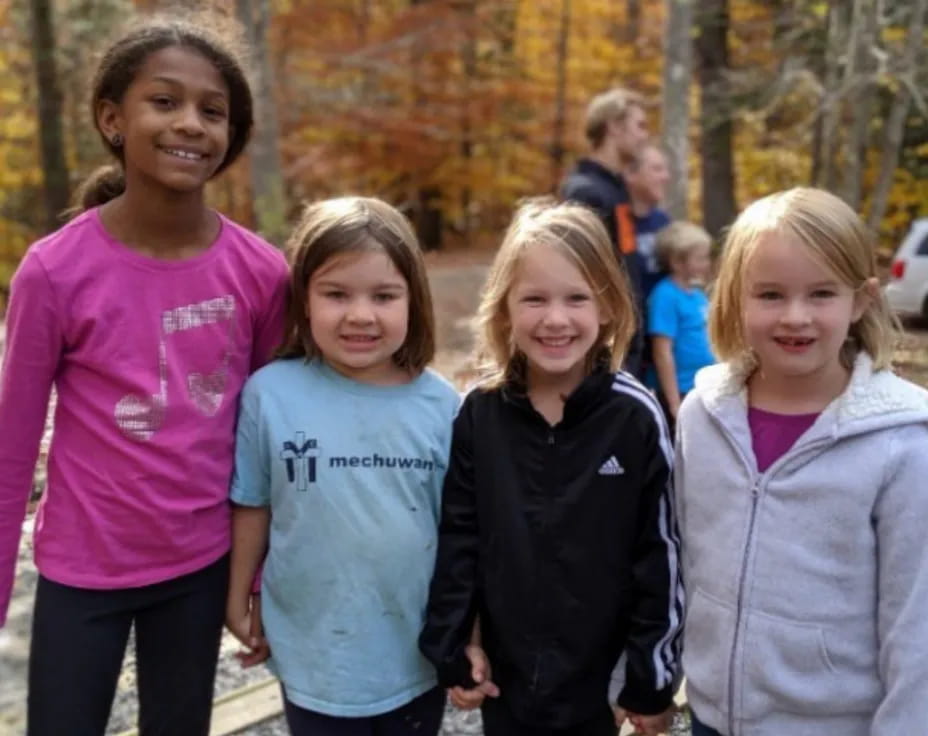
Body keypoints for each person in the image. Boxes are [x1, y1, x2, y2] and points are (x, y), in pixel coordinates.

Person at [0, 13, 289, 735]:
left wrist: (257, 581)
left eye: (212, 110)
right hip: (79, 573)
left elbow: (268, 443)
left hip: (197, 568)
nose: (190, 123)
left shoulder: (260, 272)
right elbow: (10, 448)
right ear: (113, 118)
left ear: (232, 134)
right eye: (165, 102)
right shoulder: (53, 271)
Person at [419, 200, 683, 736]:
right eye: (534, 298)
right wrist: (453, 642)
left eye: (576, 298)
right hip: (508, 683)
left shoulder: (634, 418)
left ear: (607, 306)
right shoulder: (480, 413)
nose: (555, 319)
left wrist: (650, 679)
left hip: (601, 690)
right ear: (504, 309)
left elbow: (661, 555)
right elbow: (460, 536)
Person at [676, 188, 928, 736]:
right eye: (769, 294)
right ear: (734, 299)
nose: (796, 317)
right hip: (712, 718)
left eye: (821, 294)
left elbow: (917, 624)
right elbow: (684, 561)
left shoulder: (903, 443)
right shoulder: (701, 416)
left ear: (860, 300)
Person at [226, 197, 460, 736]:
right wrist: (238, 597)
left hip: (414, 653)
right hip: (311, 651)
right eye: (336, 294)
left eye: (383, 295)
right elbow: (253, 503)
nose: (360, 314)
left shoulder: (441, 406)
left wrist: (468, 624)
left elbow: (460, 528)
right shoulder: (269, 395)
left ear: (413, 301)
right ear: (303, 298)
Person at [560, 87, 650, 376]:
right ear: (613, 126)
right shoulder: (586, 192)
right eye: (639, 125)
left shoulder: (615, 188)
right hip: (605, 346)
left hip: (627, 339)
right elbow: (580, 274)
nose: (644, 135)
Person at [647, 222, 714, 429]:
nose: (707, 263)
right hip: (682, 390)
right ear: (677, 262)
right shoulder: (665, 295)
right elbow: (662, 352)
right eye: (700, 258)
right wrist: (675, 403)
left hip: (704, 387)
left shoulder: (697, 295)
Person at [624, 144, 672, 298]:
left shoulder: (663, 222)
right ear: (631, 174)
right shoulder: (615, 221)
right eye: (657, 169)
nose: (666, 177)